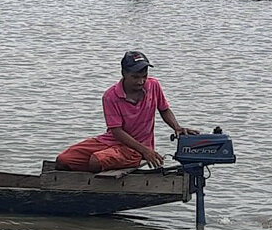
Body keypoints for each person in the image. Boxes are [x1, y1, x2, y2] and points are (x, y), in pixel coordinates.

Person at [56, 51, 197, 172]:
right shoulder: (110, 96)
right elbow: (116, 131)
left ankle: (105, 165)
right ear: (124, 73)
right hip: (112, 141)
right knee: (63, 160)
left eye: (144, 76)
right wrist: (146, 152)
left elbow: (164, 109)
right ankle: (104, 163)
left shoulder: (153, 86)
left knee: (96, 161)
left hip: (137, 148)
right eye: (135, 77)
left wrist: (176, 127)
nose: (141, 81)